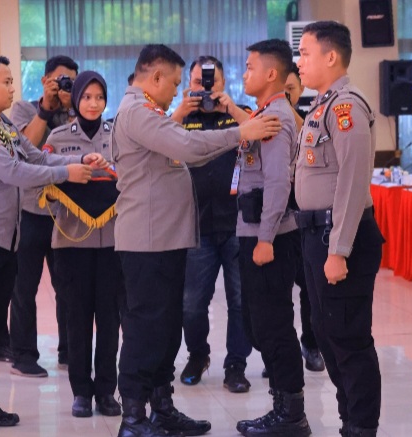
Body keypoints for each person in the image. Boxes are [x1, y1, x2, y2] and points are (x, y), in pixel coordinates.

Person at [112, 44, 281, 437]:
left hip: (165, 238)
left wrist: (235, 130)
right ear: (155, 77)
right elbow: (187, 146)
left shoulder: (150, 111)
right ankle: (133, 417)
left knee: (166, 329)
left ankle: (161, 408)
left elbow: (193, 155)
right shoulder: (137, 111)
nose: (177, 92)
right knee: (145, 330)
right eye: (174, 83)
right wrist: (240, 132)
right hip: (147, 240)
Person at [0, 54, 107, 434]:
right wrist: (67, 173)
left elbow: (36, 155)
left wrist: (81, 159)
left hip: (4, 242)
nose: (12, 88)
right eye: (6, 82)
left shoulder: (3, 126)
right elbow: (13, 171)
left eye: (12, 82)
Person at [295, 21, 383, 437]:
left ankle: (361, 427)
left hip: (339, 237)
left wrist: (338, 249)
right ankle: (350, 420)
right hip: (316, 235)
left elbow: (352, 181)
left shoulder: (347, 107)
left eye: (305, 53)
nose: (299, 61)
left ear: (331, 57)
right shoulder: (321, 105)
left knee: (348, 338)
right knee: (326, 332)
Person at [233, 39, 311, 437]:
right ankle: (281, 406)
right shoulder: (263, 114)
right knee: (260, 324)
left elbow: (279, 183)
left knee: (275, 325)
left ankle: (291, 414)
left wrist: (265, 238)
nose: (244, 73)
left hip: (271, 238)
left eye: (250, 67)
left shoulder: (276, 118)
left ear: (270, 74)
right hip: (255, 233)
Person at [169, 56, 253, 393]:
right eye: (198, 82)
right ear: (188, 84)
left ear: (223, 83)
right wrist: (179, 111)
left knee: (241, 300)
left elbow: (262, 134)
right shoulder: (181, 119)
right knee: (191, 304)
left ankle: (236, 365)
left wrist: (231, 108)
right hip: (196, 226)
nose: (205, 88)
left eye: (212, 81)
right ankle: (197, 355)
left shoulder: (239, 113)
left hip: (237, 224)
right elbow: (156, 142)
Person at [43, 71, 124, 418]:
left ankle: (106, 391)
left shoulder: (118, 134)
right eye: (87, 97)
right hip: (71, 241)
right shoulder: (58, 137)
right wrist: (75, 166)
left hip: (112, 241)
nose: (93, 104)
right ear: (75, 99)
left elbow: (132, 173)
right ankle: (80, 392)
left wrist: (111, 168)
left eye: (99, 97)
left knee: (109, 319)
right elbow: (42, 173)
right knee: (76, 319)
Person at [5, 55, 79, 374]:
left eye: (71, 82)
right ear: (44, 80)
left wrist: (73, 108)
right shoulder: (24, 109)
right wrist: (46, 109)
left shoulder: (79, 111)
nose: (65, 87)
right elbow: (25, 148)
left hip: (67, 212)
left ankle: (69, 351)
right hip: (32, 209)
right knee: (24, 286)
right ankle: (23, 355)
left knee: (69, 286)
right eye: (60, 80)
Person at [285, 62, 326, 373]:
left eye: (290, 90)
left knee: (310, 289)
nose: (286, 95)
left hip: (307, 217)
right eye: (281, 90)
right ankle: (281, 349)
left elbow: (309, 137)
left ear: (300, 89)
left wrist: (289, 111)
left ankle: (311, 344)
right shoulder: (263, 116)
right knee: (279, 289)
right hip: (278, 218)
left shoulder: (312, 115)